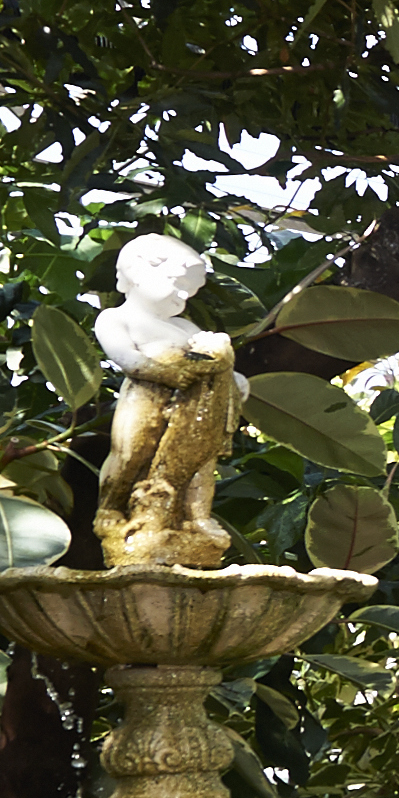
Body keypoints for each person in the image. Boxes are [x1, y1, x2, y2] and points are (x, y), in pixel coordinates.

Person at [95, 233, 241, 571]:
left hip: (193, 414)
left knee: (200, 464)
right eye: (176, 286)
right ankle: (110, 507)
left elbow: (211, 365)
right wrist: (167, 373)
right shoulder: (116, 318)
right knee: (130, 456)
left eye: (188, 293)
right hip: (145, 401)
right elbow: (127, 360)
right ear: (136, 273)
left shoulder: (184, 326)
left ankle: (197, 517)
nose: (182, 297)